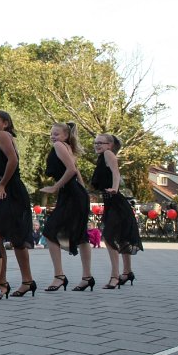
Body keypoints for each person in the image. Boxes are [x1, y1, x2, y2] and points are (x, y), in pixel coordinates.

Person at [0, 111, 36, 298]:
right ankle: (23, 281)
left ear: (5, 123)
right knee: (14, 239)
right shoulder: (2, 136)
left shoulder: (2, 135)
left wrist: (2, 184)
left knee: (1, 236)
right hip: (10, 190)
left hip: (12, 191)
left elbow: (13, 160)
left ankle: (6, 282)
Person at [40, 122, 91, 292]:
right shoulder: (67, 147)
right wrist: (84, 192)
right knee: (82, 236)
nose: (53, 136)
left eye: (57, 134)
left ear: (66, 136)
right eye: (52, 133)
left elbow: (71, 170)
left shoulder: (59, 146)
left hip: (71, 194)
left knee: (49, 231)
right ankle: (87, 277)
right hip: (74, 194)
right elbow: (76, 171)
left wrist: (55, 187)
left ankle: (59, 276)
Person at [90, 134, 142, 289]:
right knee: (122, 237)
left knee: (110, 237)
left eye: (101, 143)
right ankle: (127, 273)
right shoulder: (102, 157)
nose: (97, 145)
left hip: (115, 201)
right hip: (112, 202)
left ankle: (115, 276)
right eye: (95, 143)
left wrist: (114, 188)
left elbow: (116, 173)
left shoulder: (108, 154)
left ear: (110, 145)